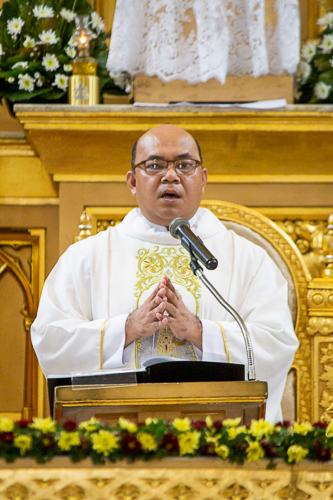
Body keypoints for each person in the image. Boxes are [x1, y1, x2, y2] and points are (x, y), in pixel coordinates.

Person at [31, 124, 299, 422]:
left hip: (219, 434)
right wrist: (128, 328)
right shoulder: (86, 257)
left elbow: (276, 343)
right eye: (155, 165)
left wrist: (198, 332)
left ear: (203, 178)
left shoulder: (248, 259)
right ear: (133, 181)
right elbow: (49, 338)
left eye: (184, 165)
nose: (170, 175)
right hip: (115, 435)